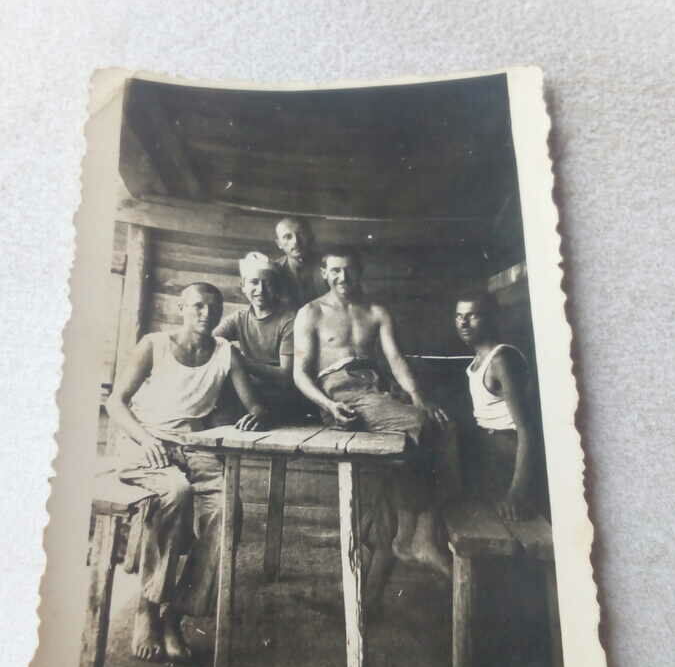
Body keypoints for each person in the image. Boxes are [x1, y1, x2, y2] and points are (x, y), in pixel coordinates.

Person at [106, 282, 268, 664]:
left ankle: (175, 616)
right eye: (197, 306)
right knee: (176, 492)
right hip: (145, 443)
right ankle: (148, 606)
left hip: (195, 447)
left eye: (213, 308)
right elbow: (116, 402)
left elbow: (255, 403)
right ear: (180, 308)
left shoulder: (226, 352)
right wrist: (145, 439)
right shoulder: (154, 345)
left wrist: (258, 414)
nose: (205, 314)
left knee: (229, 510)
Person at [293, 247, 451, 578]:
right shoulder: (311, 313)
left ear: (360, 271)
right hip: (341, 394)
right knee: (421, 425)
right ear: (324, 273)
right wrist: (328, 405)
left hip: (376, 389)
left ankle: (399, 536)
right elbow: (300, 373)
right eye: (335, 270)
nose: (343, 277)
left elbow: (395, 359)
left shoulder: (376, 311)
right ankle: (418, 537)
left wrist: (417, 396)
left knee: (432, 427)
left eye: (350, 269)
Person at [455, 292, 541, 521]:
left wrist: (516, 492)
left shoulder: (501, 360)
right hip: (488, 455)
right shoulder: (477, 362)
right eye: (459, 316)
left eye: (472, 316)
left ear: (491, 318)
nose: (463, 322)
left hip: (509, 457)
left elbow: (527, 429)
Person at [213, 252, 306, 422]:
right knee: (218, 418)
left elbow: (286, 373)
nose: (261, 290)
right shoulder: (239, 318)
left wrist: (241, 362)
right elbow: (209, 341)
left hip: (282, 397)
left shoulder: (290, 319)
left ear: (276, 287)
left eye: (268, 283)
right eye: (254, 283)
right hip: (249, 392)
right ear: (243, 286)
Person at [273, 216, 325, 309]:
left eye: (301, 234)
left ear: (311, 237)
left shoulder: (327, 264)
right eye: (287, 237)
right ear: (279, 244)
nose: (296, 241)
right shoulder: (274, 271)